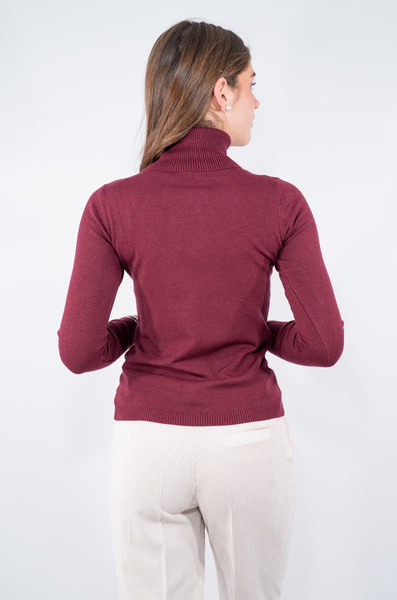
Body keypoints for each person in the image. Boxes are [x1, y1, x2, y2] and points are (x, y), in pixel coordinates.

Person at [57, 18, 344, 600]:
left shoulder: (111, 205)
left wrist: (139, 329)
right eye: (251, 84)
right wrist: (257, 333)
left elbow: (79, 351)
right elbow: (323, 344)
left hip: (149, 446)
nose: (257, 101)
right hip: (246, 441)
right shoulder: (279, 202)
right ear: (221, 92)